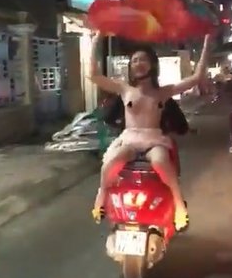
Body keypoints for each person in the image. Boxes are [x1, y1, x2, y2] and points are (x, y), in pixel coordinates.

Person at [89, 33, 211, 231]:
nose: (138, 63)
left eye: (143, 59)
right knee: (111, 162)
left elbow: (196, 78)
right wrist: (95, 39)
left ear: (152, 64)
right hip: (129, 140)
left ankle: (179, 205)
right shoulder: (124, 89)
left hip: (154, 140)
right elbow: (94, 76)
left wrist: (206, 42)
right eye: (134, 60)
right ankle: (100, 197)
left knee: (161, 162)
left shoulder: (163, 92)